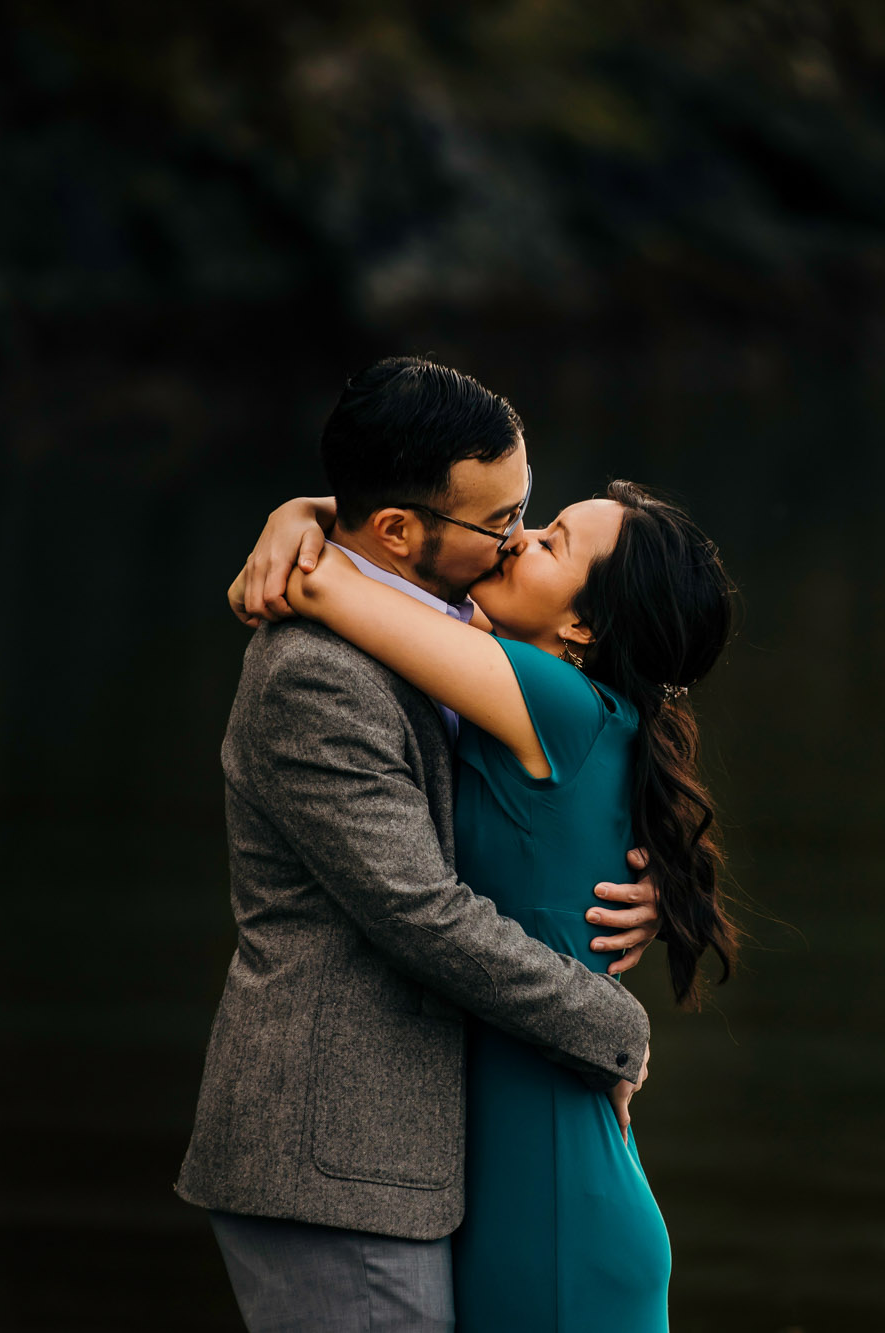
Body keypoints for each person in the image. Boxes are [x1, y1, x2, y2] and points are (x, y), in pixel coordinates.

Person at [176, 357, 670, 1333]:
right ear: (402, 530)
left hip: (417, 1150)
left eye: (528, 514)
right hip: (331, 1156)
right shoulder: (315, 674)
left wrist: (302, 514)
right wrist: (611, 1023)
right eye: (500, 522)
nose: (516, 538)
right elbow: (416, 909)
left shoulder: (448, 628)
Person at [232, 464, 740, 1331]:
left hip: (554, 1209)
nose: (520, 536)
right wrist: (301, 508)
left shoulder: (556, 702)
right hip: (525, 1179)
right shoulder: (553, 702)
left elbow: (325, 582)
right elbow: (386, 558)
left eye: (554, 543)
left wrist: (292, 517)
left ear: (581, 621)